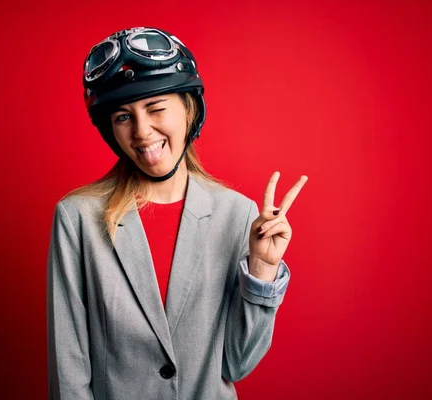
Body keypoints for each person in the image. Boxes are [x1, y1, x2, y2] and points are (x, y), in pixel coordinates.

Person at [47, 27, 308, 399]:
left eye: (155, 109)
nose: (142, 131)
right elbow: (69, 370)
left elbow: (237, 363)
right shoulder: (77, 219)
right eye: (123, 117)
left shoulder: (239, 214)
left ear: (188, 110)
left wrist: (263, 271)